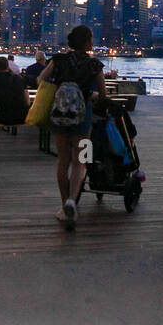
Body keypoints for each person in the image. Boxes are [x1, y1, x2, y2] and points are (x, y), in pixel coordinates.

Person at [38, 25, 107, 231]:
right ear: (87, 42)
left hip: (58, 116)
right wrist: (92, 96)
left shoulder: (58, 60)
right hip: (83, 118)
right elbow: (102, 94)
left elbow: (40, 79)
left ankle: (63, 205)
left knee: (63, 161)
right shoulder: (94, 65)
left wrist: (58, 89)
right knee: (81, 161)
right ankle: (72, 201)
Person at [0, 57, 29, 126]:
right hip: (20, 115)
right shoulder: (19, 78)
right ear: (7, 66)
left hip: (3, 115)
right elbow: (26, 99)